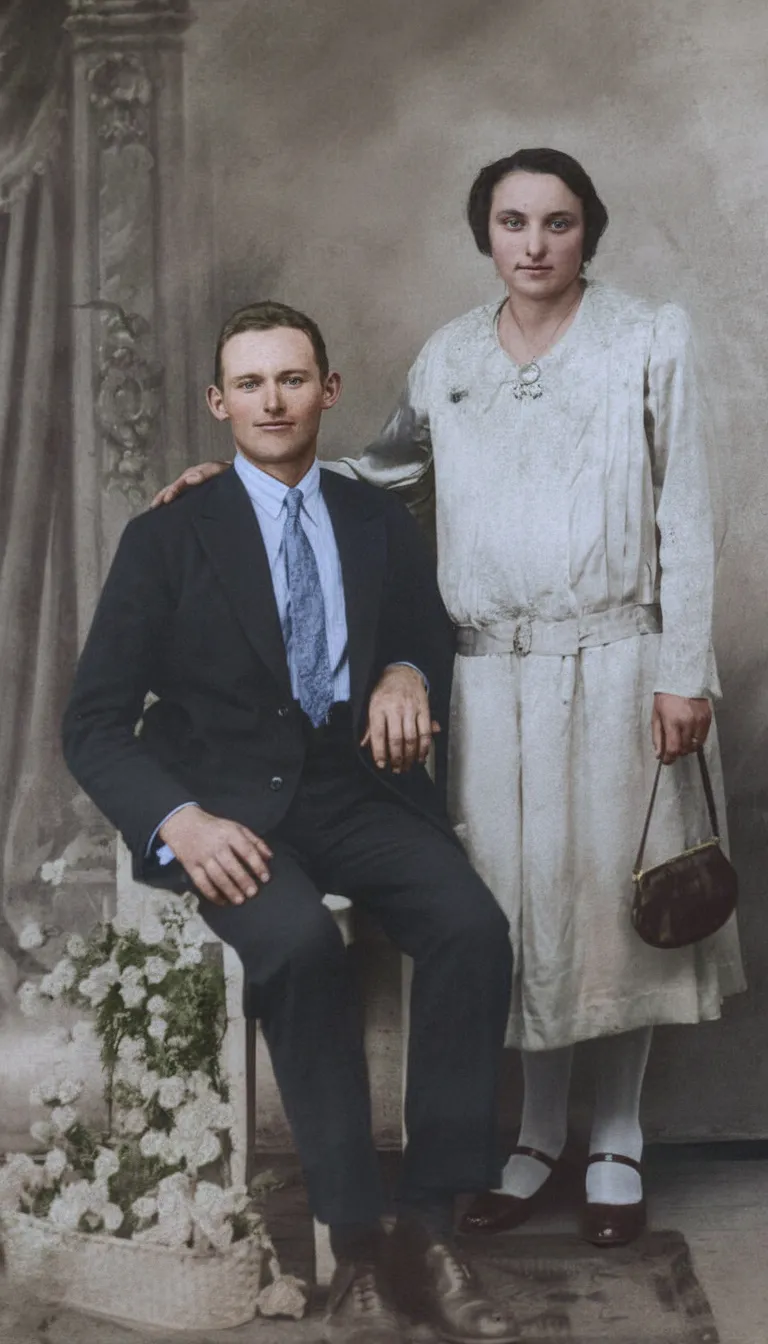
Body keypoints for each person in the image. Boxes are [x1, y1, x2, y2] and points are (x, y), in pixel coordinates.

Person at [152, 149, 745, 1248]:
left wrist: (680, 667)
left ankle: (615, 1138)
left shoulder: (647, 338)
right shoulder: (451, 356)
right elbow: (373, 480)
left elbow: (690, 511)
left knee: (612, 909)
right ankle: (534, 1135)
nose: (534, 244)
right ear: (486, 236)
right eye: (512, 222)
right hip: (487, 675)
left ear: (587, 234)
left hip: (617, 659)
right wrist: (222, 483)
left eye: (558, 223)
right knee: (511, 911)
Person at [62, 301, 519, 1344]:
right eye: (252, 384)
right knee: (302, 945)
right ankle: (355, 1246)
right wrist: (180, 821)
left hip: (352, 792)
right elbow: (93, 725)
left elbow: (421, 633)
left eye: (293, 379)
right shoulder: (169, 534)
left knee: (471, 927)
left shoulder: (375, 522)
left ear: (330, 391)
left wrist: (406, 669)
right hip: (225, 809)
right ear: (221, 402)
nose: (274, 401)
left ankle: (431, 1228)